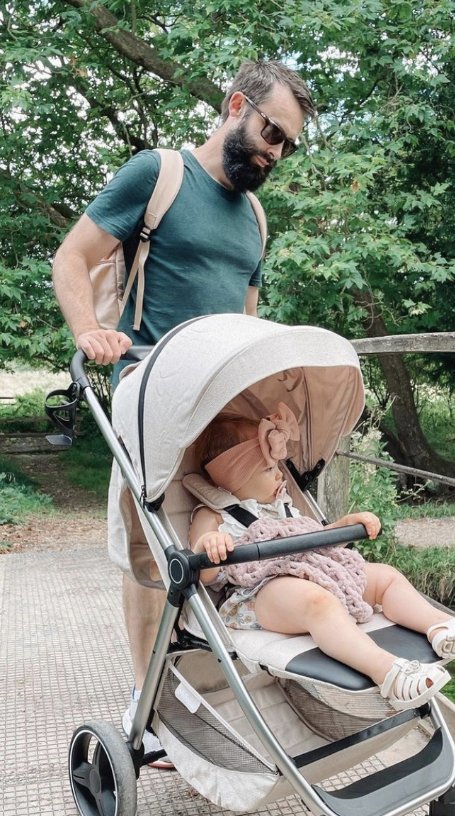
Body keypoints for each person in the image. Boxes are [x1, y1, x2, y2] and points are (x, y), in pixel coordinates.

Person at [52, 61, 316, 766]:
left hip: (221, 412)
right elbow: (72, 257)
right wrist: (88, 332)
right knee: (149, 559)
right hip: (151, 399)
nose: (275, 152)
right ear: (236, 105)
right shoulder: (159, 174)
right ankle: (145, 703)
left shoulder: (257, 218)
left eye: (286, 144)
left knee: (224, 546)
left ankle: (209, 679)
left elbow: (247, 329)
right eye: (270, 133)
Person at [188, 407, 455, 709]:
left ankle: (443, 628)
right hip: (259, 593)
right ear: (234, 476)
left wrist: (344, 527)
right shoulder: (215, 514)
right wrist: (209, 545)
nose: (280, 477)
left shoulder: (283, 506)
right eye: (269, 468)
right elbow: (199, 572)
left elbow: (315, 540)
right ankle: (386, 671)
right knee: (318, 601)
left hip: (313, 571)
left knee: (384, 576)